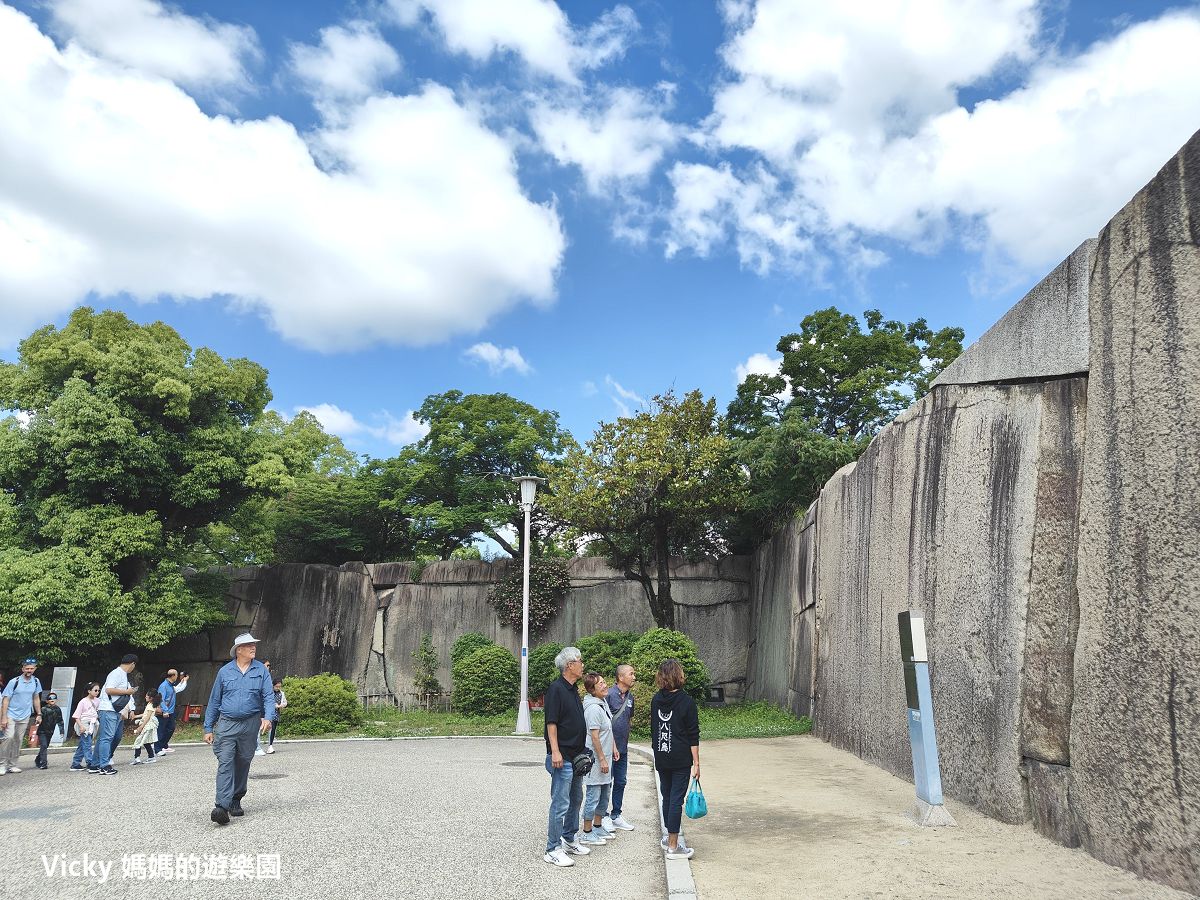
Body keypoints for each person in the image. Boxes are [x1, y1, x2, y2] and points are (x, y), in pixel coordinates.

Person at [204, 633, 275, 825]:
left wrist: (268, 717)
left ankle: (236, 798)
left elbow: (268, 696)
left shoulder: (261, 670)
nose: (253, 648)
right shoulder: (225, 672)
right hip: (227, 723)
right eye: (249, 645)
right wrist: (208, 727)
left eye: (254, 645)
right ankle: (221, 807)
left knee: (243, 761)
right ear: (239, 650)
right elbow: (214, 700)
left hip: (250, 723)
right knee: (226, 762)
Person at [542, 646, 590, 868]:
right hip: (562, 756)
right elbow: (551, 723)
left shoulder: (573, 689)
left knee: (576, 799)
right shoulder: (556, 689)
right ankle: (552, 849)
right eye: (580, 661)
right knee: (560, 803)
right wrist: (555, 751)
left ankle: (569, 839)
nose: (582, 664)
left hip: (576, 756)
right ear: (569, 665)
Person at [651, 658, 700, 859]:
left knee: (668, 796)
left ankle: (667, 838)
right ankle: (673, 845)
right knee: (675, 800)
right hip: (680, 757)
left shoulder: (656, 699)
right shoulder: (686, 701)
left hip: (662, 756)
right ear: (678, 675)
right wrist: (696, 762)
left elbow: (654, 728)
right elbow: (693, 733)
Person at [579, 672, 617, 846]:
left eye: (604, 682)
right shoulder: (593, 708)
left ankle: (598, 825)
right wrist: (601, 759)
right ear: (591, 689)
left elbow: (607, 730)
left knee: (604, 793)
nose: (604, 685)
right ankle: (586, 832)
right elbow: (594, 737)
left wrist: (614, 748)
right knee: (594, 794)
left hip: (607, 757)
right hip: (596, 759)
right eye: (600, 684)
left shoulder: (602, 704)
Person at [91, 654, 138, 776]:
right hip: (108, 710)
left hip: (113, 710)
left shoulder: (122, 674)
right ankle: (104, 766)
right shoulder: (116, 673)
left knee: (103, 738)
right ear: (132, 664)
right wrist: (127, 691)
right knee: (107, 738)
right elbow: (108, 690)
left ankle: (95, 764)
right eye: (134, 665)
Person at [603, 663, 637, 832]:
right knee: (605, 782)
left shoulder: (630, 697)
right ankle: (603, 815)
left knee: (621, 781)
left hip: (623, 749)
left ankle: (616, 814)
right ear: (621, 677)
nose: (634, 677)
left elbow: (628, 719)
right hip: (607, 749)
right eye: (631, 674)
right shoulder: (608, 695)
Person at [0, 658, 43, 775]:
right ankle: (2, 764)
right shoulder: (14, 682)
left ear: (35, 669)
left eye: (31, 668)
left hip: (25, 715)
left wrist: (38, 713)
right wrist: (3, 717)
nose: (29, 670)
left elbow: (36, 698)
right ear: (23, 669)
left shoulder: (36, 681)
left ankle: (12, 764)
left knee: (17, 740)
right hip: (11, 714)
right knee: (8, 738)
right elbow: (5, 699)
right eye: (27, 668)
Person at [155, 668, 188, 754]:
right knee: (161, 730)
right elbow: (161, 699)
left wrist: (184, 681)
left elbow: (178, 689)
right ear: (173, 676)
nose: (177, 677)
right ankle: (157, 748)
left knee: (171, 728)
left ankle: (163, 745)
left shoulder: (171, 685)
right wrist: (165, 710)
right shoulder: (164, 686)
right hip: (164, 712)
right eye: (176, 675)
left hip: (170, 712)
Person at [70, 683, 102, 771]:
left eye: (98, 690)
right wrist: (81, 726)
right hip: (84, 723)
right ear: (89, 691)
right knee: (87, 744)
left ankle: (76, 763)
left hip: (93, 723)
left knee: (83, 744)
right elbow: (77, 715)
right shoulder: (83, 701)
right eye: (95, 690)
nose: (97, 692)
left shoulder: (98, 701)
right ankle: (90, 762)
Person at [35, 691, 65, 769]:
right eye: (50, 698)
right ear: (47, 700)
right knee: (44, 745)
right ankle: (44, 763)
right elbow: (39, 717)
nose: (52, 699)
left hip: (50, 731)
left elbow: (60, 720)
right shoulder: (43, 709)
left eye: (54, 698)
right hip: (42, 731)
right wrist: (38, 720)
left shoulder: (58, 709)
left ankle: (38, 759)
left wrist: (62, 731)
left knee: (45, 746)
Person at [130, 690, 161, 765]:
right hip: (147, 725)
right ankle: (151, 757)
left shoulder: (151, 705)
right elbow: (145, 714)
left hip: (147, 725)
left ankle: (137, 758)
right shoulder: (150, 704)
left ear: (151, 698)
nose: (145, 696)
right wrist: (136, 716)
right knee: (146, 742)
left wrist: (141, 727)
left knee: (138, 741)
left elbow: (147, 717)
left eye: (147, 695)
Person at [266, 678, 287, 753]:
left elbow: (285, 702)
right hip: (267, 713)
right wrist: (273, 705)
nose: (278, 688)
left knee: (273, 729)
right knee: (261, 729)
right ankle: (256, 747)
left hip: (276, 713)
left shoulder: (281, 693)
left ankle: (270, 745)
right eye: (276, 686)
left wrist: (281, 705)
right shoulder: (268, 692)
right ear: (273, 685)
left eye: (279, 686)